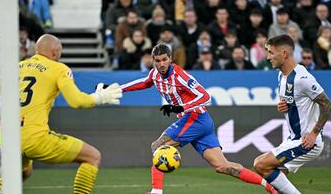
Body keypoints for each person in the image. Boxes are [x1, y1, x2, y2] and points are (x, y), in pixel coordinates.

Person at [116, 43, 276, 194]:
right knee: (223, 166)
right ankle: (270, 187)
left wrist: (181, 108)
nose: (162, 64)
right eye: (158, 61)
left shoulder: (180, 76)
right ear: (153, 61)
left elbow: (206, 96)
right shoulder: (155, 74)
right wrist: (117, 89)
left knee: (158, 146)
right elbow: (143, 83)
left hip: (195, 118)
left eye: (165, 60)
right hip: (201, 122)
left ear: (170, 59)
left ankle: (157, 191)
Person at [0, 34, 123, 194]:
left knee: (22, 172)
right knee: (92, 156)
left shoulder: (16, 68)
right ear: (55, 52)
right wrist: (99, 97)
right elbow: (76, 101)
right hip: (34, 137)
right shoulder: (58, 69)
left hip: (8, 139)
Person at [254, 35, 331, 194]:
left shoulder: (302, 78)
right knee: (276, 179)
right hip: (292, 139)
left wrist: (314, 133)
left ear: (284, 54)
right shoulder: (281, 75)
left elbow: (327, 104)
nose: (268, 57)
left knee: (260, 164)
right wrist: (284, 106)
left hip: (307, 141)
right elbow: (293, 102)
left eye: (271, 52)